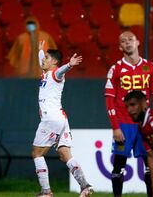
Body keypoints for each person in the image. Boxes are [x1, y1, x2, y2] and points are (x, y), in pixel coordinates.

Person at [31, 40, 93, 197]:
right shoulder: (46, 73)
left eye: (46, 57)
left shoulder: (55, 74)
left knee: (37, 154)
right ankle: (85, 186)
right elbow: (43, 62)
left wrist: (70, 65)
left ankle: (46, 192)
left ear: (54, 62)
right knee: (64, 154)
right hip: (61, 119)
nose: (43, 60)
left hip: (51, 120)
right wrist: (40, 51)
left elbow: (60, 71)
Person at [105, 31, 153, 197]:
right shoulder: (115, 69)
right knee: (119, 165)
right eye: (123, 41)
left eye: (131, 39)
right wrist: (115, 127)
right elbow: (109, 99)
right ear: (120, 47)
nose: (128, 42)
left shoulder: (150, 67)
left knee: (149, 164)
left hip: (144, 125)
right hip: (123, 125)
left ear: (137, 42)